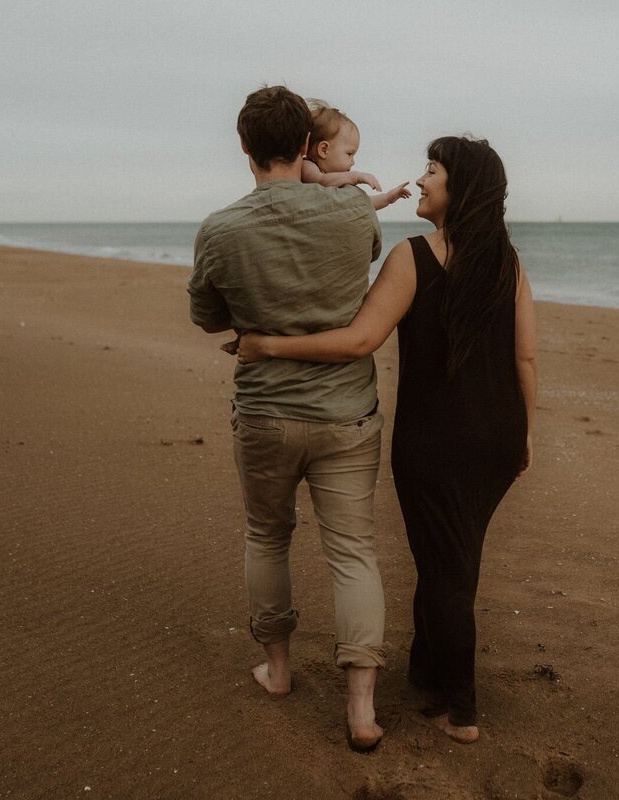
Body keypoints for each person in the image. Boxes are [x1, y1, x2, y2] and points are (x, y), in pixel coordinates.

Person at [236, 135, 538, 744]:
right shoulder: (506, 261)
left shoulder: (415, 256)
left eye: (432, 171)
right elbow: (525, 358)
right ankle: (428, 673)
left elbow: (357, 340)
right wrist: (523, 435)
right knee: (452, 557)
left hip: (435, 443)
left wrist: (268, 344)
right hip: (499, 437)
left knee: (447, 568)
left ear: (461, 189)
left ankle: (462, 709)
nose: (421, 180)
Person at [188, 85, 395, 753]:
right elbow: (364, 262)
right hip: (346, 413)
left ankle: (277, 670)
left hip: (267, 413)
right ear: (308, 145)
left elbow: (208, 317)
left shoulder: (221, 228)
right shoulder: (351, 212)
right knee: (354, 552)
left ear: (245, 149)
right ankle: (361, 708)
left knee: (267, 536)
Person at [300, 99, 410, 212]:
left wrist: (387, 198)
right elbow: (321, 181)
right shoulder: (307, 165)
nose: (353, 162)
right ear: (324, 150)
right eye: (349, 154)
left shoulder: (337, 180)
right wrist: (356, 177)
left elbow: (360, 203)